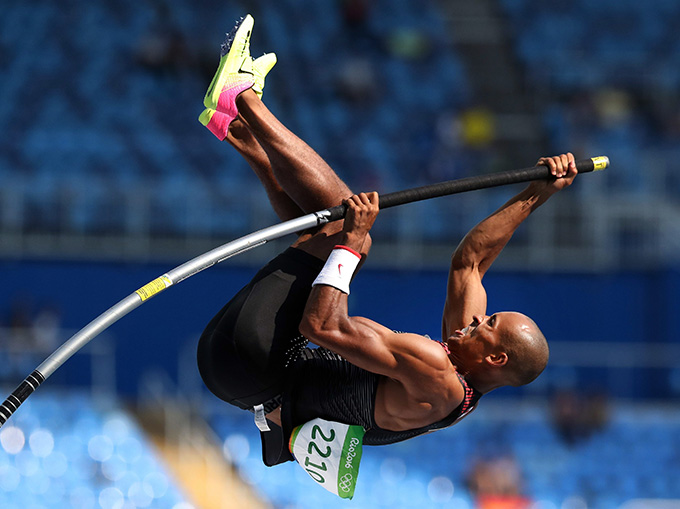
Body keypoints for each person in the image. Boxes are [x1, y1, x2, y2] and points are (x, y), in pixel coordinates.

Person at [196, 15, 578, 470]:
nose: (477, 320)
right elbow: (470, 263)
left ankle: (244, 99)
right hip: (245, 369)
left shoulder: (439, 377)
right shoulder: (458, 369)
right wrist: (537, 193)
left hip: (255, 362)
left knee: (347, 233)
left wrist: (352, 245)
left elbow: (323, 329)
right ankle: (237, 126)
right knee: (326, 234)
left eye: (488, 324)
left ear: (495, 357)